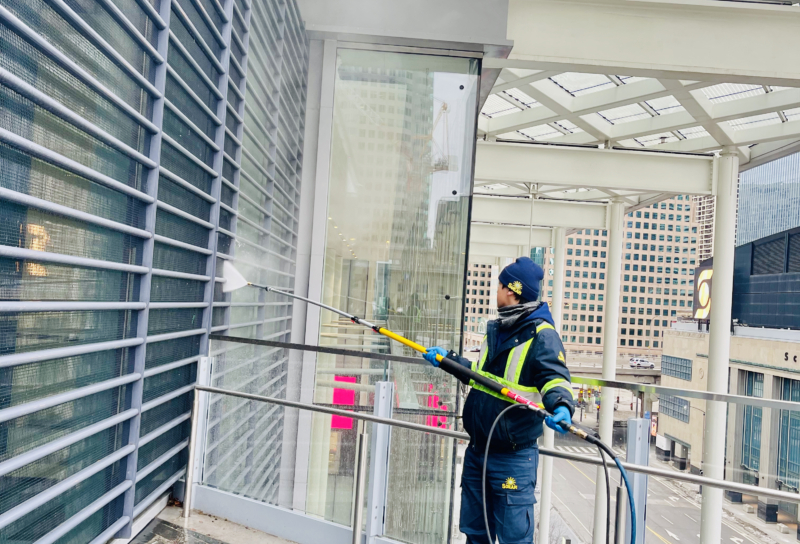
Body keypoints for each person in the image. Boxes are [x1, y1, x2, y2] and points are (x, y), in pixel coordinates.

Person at [424, 257, 575, 544]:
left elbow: (554, 377)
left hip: (512, 459)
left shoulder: (542, 335)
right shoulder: (497, 329)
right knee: (475, 534)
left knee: (513, 540)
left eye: (499, 285)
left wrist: (562, 406)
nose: (496, 290)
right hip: (478, 452)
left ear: (511, 291)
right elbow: (483, 378)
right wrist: (448, 361)